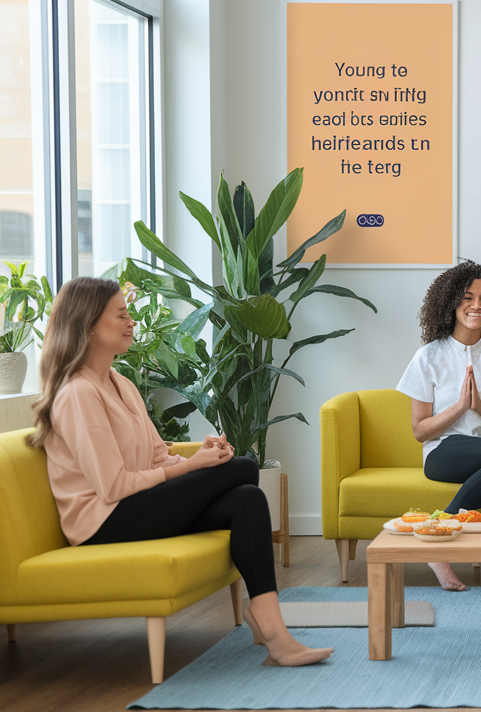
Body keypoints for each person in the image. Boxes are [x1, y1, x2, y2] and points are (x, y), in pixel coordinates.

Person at [29, 277, 331, 667]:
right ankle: (274, 633)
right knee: (241, 468)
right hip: (100, 523)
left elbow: (157, 457)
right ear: (87, 326)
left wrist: (200, 457)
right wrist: (192, 467)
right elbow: (113, 486)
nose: (131, 321)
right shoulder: (77, 394)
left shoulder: (121, 384)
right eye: (120, 314)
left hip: (134, 507)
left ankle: (270, 627)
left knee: (247, 496)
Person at [397, 260, 481, 591]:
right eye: (468, 297)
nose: (477, 306)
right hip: (444, 452)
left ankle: (438, 533)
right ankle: (442, 535)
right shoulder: (428, 356)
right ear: (451, 303)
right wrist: (460, 407)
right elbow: (420, 431)